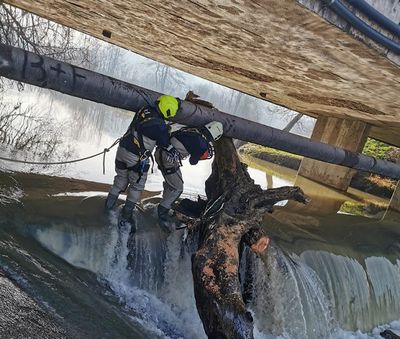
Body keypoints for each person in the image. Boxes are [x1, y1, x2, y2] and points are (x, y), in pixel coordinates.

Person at [105, 95, 181, 222]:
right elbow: (164, 143)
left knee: (120, 180)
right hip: (135, 158)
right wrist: (168, 130)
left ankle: (107, 210)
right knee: (136, 187)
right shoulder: (160, 127)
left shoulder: (144, 109)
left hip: (122, 150)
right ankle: (126, 219)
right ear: (168, 111)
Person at [154, 121, 223, 227]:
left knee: (172, 183)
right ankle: (161, 215)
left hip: (161, 153)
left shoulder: (192, 129)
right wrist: (201, 155)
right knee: (178, 188)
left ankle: (165, 205)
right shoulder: (202, 144)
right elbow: (192, 162)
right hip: (168, 158)